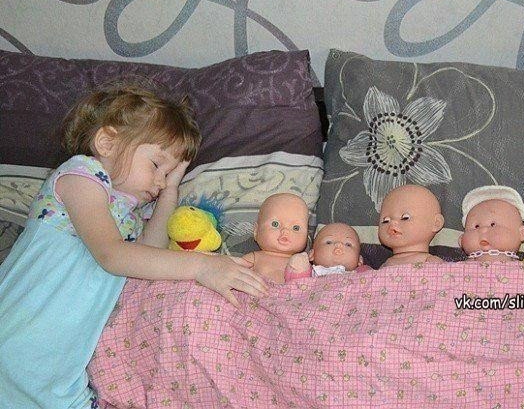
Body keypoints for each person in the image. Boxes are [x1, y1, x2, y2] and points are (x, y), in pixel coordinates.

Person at [0, 81, 268, 409]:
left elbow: (148, 255)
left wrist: (170, 190)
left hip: (59, 372)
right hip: (18, 340)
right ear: (107, 142)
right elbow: (113, 254)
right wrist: (202, 266)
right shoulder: (80, 176)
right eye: (156, 165)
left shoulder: (129, 215)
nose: (159, 181)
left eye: (167, 174)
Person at [242, 193, 310, 283]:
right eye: (275, 224)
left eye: (296, 228)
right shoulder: (253, 259)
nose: (285, 231)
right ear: (256, 231)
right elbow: (233, 274)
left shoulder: (304, 263)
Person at [378, 185, 444, 267]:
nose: (392, 223)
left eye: (405, 218)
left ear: (436, 223)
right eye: (386, 220)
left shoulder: (433, 263)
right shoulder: (385, 266)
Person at [459, 185, 524, 262]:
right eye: (477, 226)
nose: (483, 229)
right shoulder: (460, 267)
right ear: (461, 239)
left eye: (493, 225)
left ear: (522, 233)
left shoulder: (523, 267)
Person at [284, 223, 371, 281]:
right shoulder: (309, 274)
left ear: (359, 260)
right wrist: (299, 268)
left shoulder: (362, 276)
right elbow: (295, 287)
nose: (339, 244)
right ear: (311, 254)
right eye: (329, 242)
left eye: (348, 244)